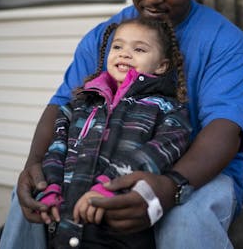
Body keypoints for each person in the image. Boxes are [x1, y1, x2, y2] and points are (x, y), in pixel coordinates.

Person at [0, 0, 243, 249]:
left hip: (200, 171)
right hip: (107, 164)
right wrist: (33, 165)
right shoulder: (106, 37)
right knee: (30, 199)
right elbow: (62, 104)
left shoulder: (225, 41)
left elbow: (226, 129)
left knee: (185, 219)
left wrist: (169, 186)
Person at [35, 17, 191, 248]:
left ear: (161, 66)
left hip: (120, 231)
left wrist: (107, 185)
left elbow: (154, 155)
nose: (125, 54)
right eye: (118, 46)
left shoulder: (167, 111)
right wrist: (51, 187)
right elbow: (57, 150)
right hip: (63, 228)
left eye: (139, 49)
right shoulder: (79, 105)